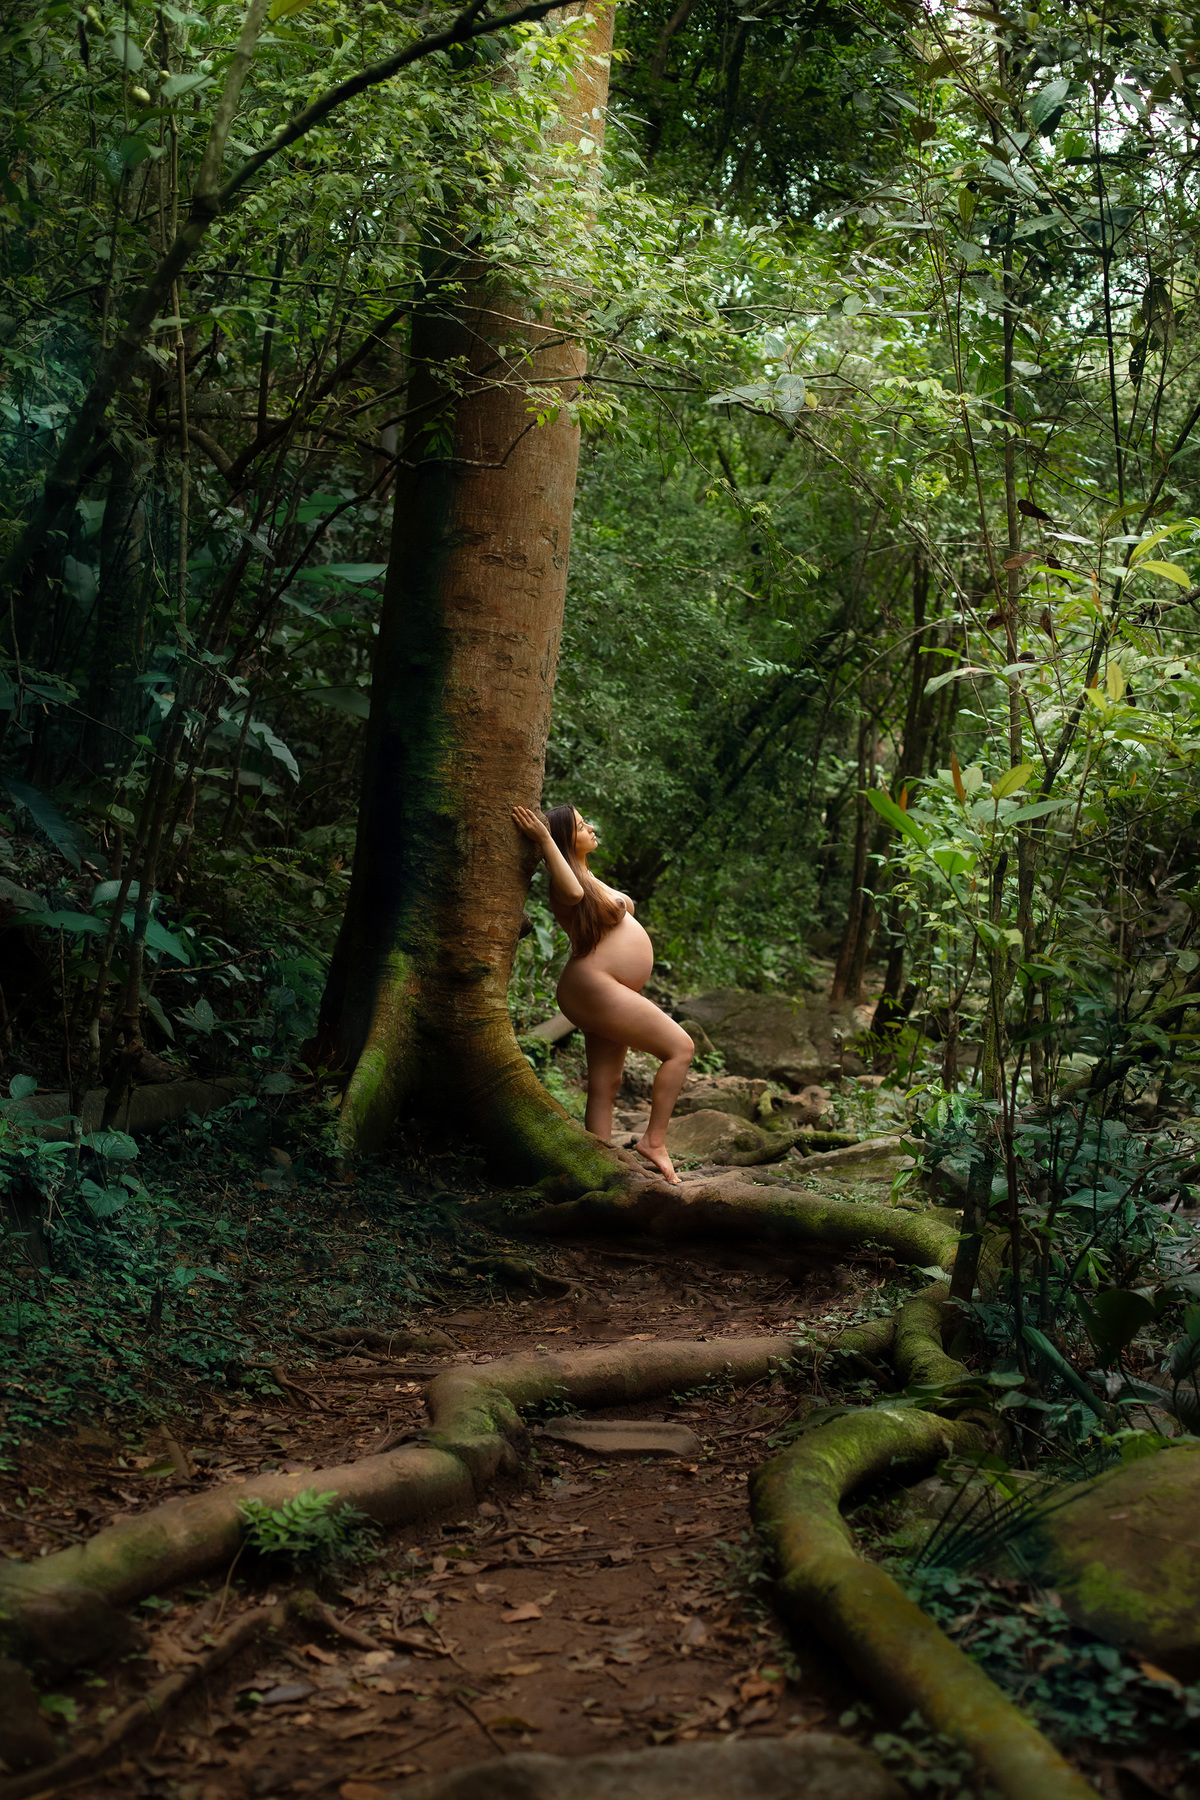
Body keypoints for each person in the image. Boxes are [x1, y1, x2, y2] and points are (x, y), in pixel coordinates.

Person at [512, 802, 693, 1184]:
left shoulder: (585, 873)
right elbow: (575, 894)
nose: (591, 828)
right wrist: (545, 839)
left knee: (605, 1085)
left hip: (602, 989)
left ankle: (596, 1167)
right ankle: (654, 1142)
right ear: (563, 839)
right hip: (595, 987)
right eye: (580, 826)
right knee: (681, 1048)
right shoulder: (566, 883)